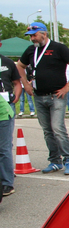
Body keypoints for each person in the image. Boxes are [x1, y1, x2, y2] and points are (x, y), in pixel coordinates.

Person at [16, 22, 69, 175]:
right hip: (39, 96)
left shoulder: (59, 48)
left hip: (56, 96)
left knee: (58, 128)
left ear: (44, 34)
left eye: (34, 35)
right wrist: (26, 84)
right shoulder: (31, 50)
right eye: (30, 36)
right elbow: (20, 66)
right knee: (47, 130)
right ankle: (55, 160)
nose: (32, 38)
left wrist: (68, 87)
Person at [0, 54, 21, 196]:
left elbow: (17, 83)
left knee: (3, 147)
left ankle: (8, 183)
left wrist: (15, 99)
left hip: (3, 112)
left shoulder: (7, 63)